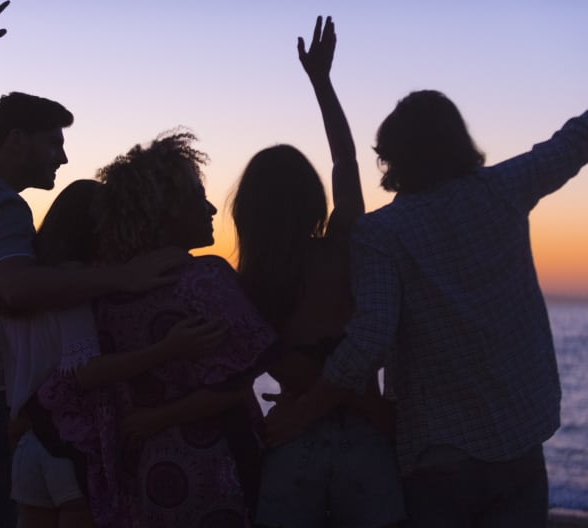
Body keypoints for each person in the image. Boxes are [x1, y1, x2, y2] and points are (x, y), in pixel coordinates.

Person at [264, 61, 588, 528]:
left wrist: (305, 410)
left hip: (439, 457)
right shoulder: (505, 188)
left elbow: (370, 337)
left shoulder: (383, 233)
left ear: (394, 157)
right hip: (521, 440)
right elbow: (573, 143)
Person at [0, 3, 185, 526]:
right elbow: (16, 287)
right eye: (54, 142)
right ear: (17, 140)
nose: (62, 157)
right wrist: (122, 276)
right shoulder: (6, 208)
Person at [0, 179, 227, 528]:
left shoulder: (7, 290)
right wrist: (167, 349)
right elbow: (86, 372)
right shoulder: (75, 285)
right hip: (74, 448)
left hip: (29, 451)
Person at [35, 131, 282, 527]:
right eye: (197, 198)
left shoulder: (103, 292)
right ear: (166, 211)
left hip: (140, 476)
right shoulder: (207, 279)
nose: (211, 209)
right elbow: (236, 383)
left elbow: (78, 381)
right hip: (219, 470)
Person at [232, 16, 404, 528]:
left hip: (292, 437)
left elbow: (254, 372)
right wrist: (323, 84)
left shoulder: (250, 283)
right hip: (366, 434)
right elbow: (346, 162)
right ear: (312, 200)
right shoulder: (344, 250)